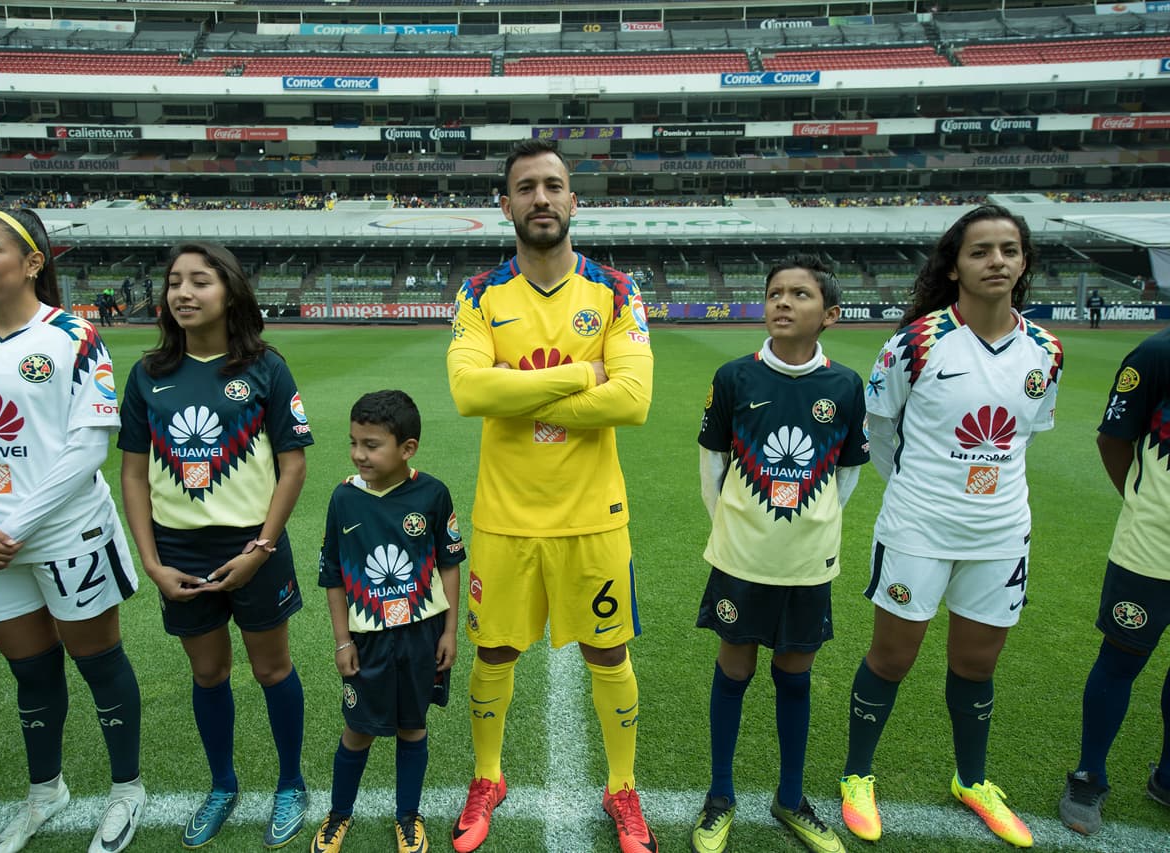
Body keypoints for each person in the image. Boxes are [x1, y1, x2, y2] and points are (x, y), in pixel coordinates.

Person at [0, 207, 145, 853]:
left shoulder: (74, 335)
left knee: (100, 664)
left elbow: (87, 446)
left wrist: (8, 526)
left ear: (32, 261)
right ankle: (46, 791)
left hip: (66, 534)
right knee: (32, 674)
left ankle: (127, 788)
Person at [446, 137, 657, 853]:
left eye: (554, 185)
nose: (541, 198)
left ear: (574, 199)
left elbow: (632, 400)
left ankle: (622, 787)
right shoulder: (478, 293)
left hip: (592, 515)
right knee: (495, 651)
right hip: (505, 518)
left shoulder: (618, 289)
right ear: (504, 204)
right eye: (527, 187)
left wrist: (522, 395)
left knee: (609, 654)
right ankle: (487, 776)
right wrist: (578, 376)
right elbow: (470, 390)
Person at [838, 204, 1062, 849]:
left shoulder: (1046, 349)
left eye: (1009, 251)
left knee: (976, 661)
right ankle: (857, 775)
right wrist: (919, 491)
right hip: (919, 527)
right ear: (955, 264)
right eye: (981, 251)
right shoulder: (916, 341)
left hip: (1000, 533)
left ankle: (973, 780)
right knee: (893, 656)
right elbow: (881, 431)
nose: (997, 261)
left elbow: (1024, 438)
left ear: (1024, 263)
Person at [118, 241, 313, 849]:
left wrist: (261, 547)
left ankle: (290, 783)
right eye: (174, 282)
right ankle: (223, 785)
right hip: (179, 552)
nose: (183, 293)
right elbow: (131, 473)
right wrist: (153, 563)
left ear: (229, 290)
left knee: (271, 667)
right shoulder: (148, 375)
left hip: (254, 545)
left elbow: (293, 466)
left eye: (200, 281)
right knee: (208, 673)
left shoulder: (266, 367)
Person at [693, 256, 867, 853]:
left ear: (830, 315)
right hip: (741, 560)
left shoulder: (844, 385)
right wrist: (736, 530)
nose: (783, 303)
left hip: (807, 562)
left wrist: (811, 529)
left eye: (799, 294)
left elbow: (846, 476)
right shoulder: (735, 376)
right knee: (734, 668)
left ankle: (790, 798)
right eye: (774, 293)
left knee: (796, 673)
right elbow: (712, 465)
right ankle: (720, 796)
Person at [313, 390, 464, 853]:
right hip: (367, 639)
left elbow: (450, 564)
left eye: (372, 444)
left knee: (412, 726)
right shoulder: (343, 498)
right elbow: (334, 576)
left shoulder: (433, 494)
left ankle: (407, 817)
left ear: (407, 448)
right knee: (357, 728)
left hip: (422, 636)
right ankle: (339, 814)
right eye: (354, 442)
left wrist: (450, 630)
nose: (359, 453)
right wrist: (343, 642)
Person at [1058, 327, 1170, 835]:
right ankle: (1089, 776)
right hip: (1152, 548)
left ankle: (1167, 778)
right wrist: (1143, 502)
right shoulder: (1157, 353)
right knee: (1122, 658)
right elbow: (1113, 438)